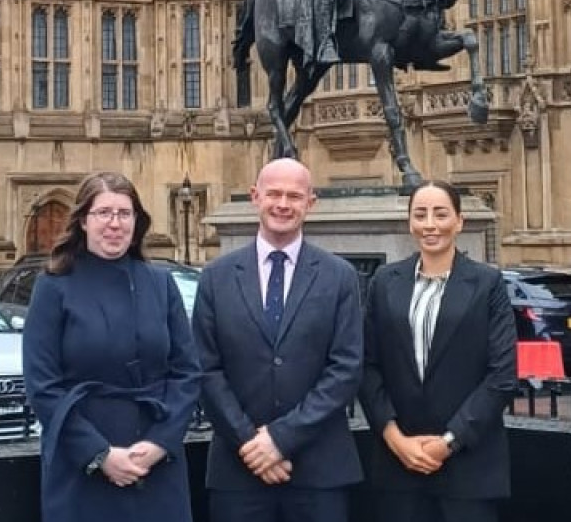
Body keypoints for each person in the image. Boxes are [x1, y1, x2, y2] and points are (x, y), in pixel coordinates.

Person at [23, 172, 203, 522]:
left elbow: (187, 372)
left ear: (137, 222)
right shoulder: (54, 286)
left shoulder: (160, 284)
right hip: (83, 462)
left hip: (154, 459)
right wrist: (99, 454)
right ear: (84, 222)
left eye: (124, 214)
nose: (114, 224)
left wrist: (159, 443)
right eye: (103, 213)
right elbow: (42, 385)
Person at [194, 158, 365, 522]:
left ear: (310, 203)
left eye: (294, 196)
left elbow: (346, 369)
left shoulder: (339, 277)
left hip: (320, 472)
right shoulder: (216, 277)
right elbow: (206, 369)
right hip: (238, 471)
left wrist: (280, 439)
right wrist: (251, 444)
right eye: (273, 194)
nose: (283, 204)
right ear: (255, 197)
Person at [359, 181, 518, 522]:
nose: (430, 224)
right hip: (398, 464)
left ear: (459, 221)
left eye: (441, 213)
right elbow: (367, 366)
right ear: (410, 222)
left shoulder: (487, 283)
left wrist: (448, 442)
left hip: (468, 467)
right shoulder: (385, 282)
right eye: (420, 214)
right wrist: (395, 438)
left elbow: (502, 375)